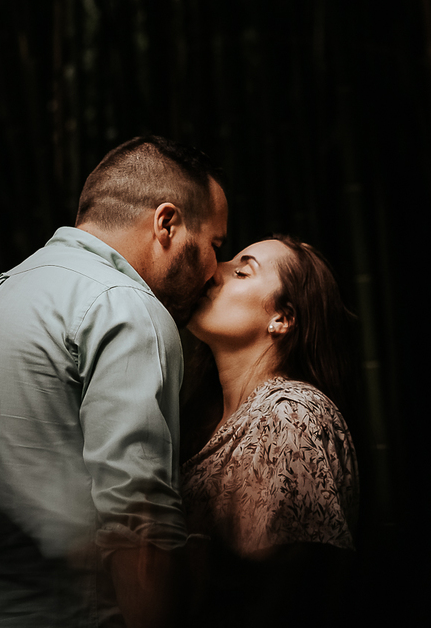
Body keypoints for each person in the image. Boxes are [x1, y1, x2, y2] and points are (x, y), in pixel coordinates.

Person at [0, 136, 228, 628]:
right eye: (216, 245)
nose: (215, 274)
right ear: (167, 223)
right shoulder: (127, 308)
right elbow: (139, 532)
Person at [179, 235, 358, 625]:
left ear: (282, 319)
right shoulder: (201, 423)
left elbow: (287, 591)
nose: (212, 270)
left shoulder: (292, 416)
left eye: (242, 271)